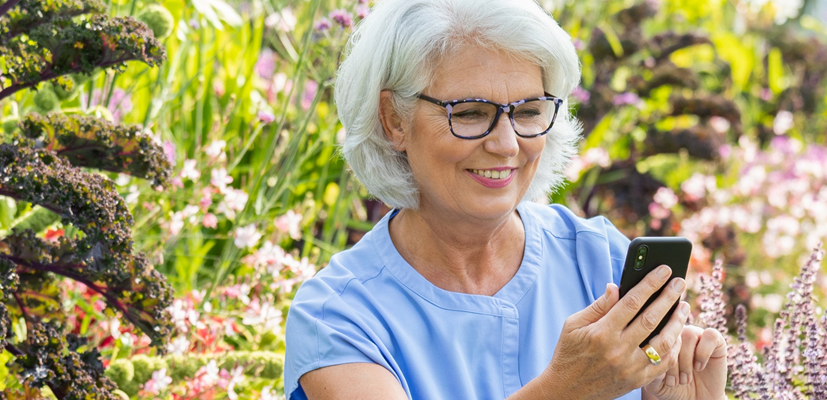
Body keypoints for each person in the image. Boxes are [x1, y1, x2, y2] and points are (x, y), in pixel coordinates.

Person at [282, 1, 730, 399]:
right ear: (393, 120)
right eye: (471, 113)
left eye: (529, 111)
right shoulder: (337, 318)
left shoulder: (602, 259)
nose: (507, 144)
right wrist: (566, 391)